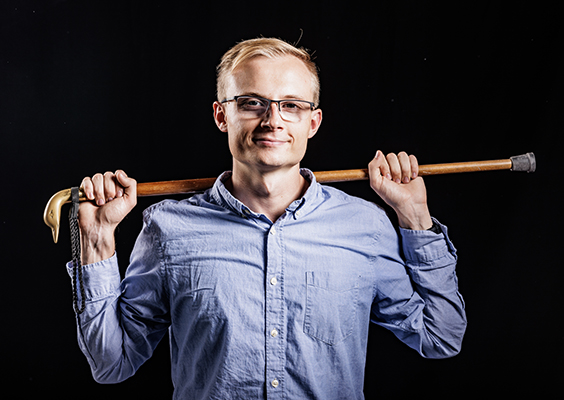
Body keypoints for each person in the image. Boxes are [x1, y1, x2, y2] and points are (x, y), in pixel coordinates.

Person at [72, 38, 466, 399]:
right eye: (252, 102)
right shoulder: (167, 229)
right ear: (221, 115)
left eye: (291, 105)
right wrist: (97, 241)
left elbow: (440, 337)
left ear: (312, 123)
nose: (273, 120)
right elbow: (112, 364)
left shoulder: (364, 226)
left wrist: (415, 217)